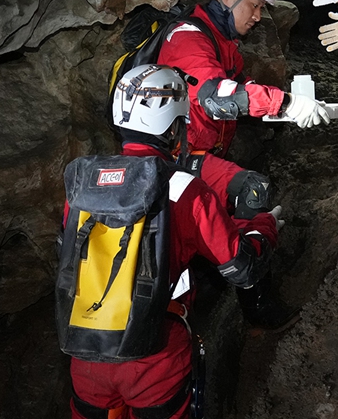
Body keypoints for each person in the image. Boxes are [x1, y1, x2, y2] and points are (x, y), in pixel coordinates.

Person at [67, 65, 282, 419]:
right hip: (155, 355)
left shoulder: (82, 183)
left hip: (86, 352)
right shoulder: (183, 189)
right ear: (174, 128)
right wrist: (263, 226)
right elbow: (241, 267)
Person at [155, 0, 323, 327]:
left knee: (229, 200)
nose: (258, 16)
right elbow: (217, 97)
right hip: (173, 159)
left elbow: (238, 90)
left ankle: (213, 273)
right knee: (251, 191)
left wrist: (289, 108)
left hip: (195, 153)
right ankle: (257, 306)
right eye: (254, 6)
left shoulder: (220, 43)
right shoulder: (188, 38)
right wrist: (287, 102)